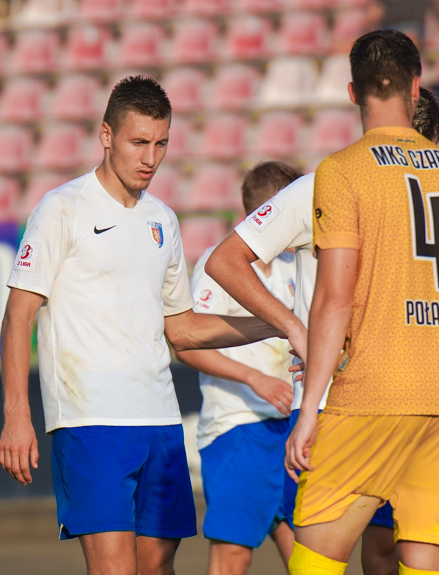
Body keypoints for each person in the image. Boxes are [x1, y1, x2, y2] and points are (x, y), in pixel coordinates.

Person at [0, 75, 284, 575]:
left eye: (161, 144)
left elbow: (184, 329)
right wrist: (17, 413)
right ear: (106, 135)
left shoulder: (163, 220)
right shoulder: (61, 209)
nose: (150, 158)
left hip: (160, 419)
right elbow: (18, 316)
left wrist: (276, 325)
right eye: (138, 142)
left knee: (156, 566)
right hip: (90, 420)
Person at [283, 29, 439, 575]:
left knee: (314, 558)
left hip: (373, 392)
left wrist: (309, 409)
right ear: (416, 87)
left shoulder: (341, 171)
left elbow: (334, 300)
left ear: (352, 91)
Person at [205, 86, 439, 575]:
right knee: (357, 551)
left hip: (390, 400)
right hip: (351, 402)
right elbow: (224, 263)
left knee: (370, 549)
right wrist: (296, 328)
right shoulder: (333, 184)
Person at [176, 161, 302, 575]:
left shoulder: (292, 266)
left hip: (290, 429)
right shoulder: (219, 265)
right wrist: (255, 378)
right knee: (232, 556)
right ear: (266, 213)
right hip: (238, 427)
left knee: (307, 553)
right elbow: (188, 346)